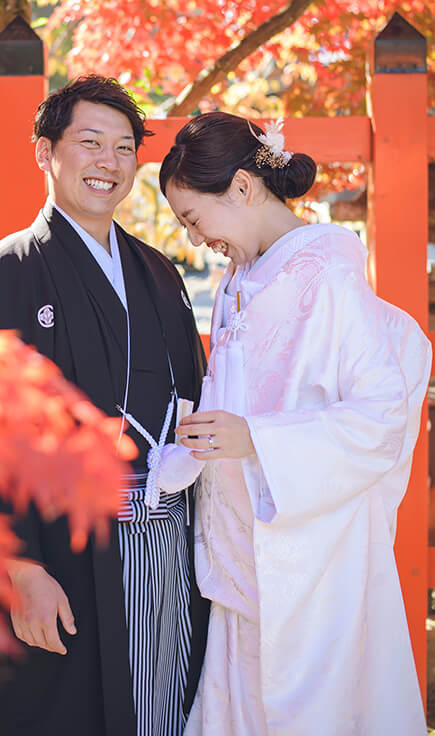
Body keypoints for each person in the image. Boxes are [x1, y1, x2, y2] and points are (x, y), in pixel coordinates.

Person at [151, 110, 430, 736]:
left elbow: (381, 412)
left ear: (244, 187)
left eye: (194, 219)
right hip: (242, 553)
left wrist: (256, 438)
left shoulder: (327, 274)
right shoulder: (237, 280)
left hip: (309, 558)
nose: (195, 241)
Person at [0, 76, 208, 736]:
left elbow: (192, 401)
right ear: (44, 152)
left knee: (160, 704)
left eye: (124, 148)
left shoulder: (158, 272)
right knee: (62, 709)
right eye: (89, 143)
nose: (110, 163)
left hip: (164, 540)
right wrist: (18, 566)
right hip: (55, 546)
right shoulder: (2, 272)